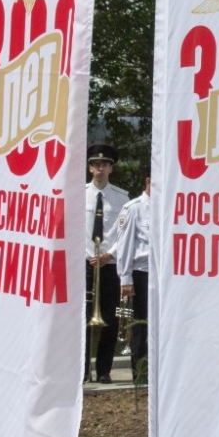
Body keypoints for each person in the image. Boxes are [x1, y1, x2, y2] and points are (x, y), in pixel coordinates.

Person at [85, 143, 129, 383]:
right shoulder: (80, 194)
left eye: (104, 164)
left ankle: (103, 371)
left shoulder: (122, 198)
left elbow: (125, 234)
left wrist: (109, 255)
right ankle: (83, 371)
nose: (100, 168)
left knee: (110, 319)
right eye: (95, 164)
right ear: (90, 168)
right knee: (82, 320)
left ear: (111, 168)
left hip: (110, 265)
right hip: (85, 265)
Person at [115, 165, 150, 383]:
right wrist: (125, 278)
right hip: (141, 272)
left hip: (162, 274)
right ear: (148, 181)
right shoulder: (133, 208)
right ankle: (140, 374)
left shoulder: (168, 205)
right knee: (140, 325)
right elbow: (124, 245)